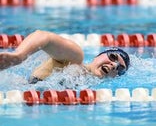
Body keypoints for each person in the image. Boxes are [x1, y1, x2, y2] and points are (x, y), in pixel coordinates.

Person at [0, 30, 130, 84]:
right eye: (112, 57)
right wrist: (18, 57)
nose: (114, 65)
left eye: (120, 69)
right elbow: (44, 36)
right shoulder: (74, 59)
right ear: (98, 56)